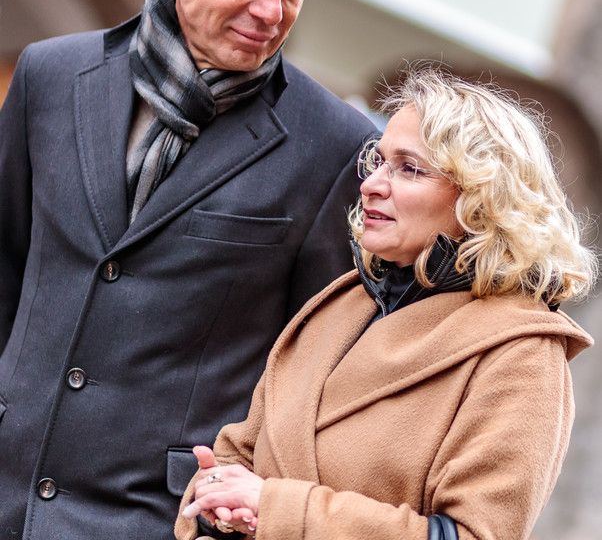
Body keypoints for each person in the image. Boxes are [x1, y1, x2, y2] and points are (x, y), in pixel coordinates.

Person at [0, 0, 375, 538]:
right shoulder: (49, 76)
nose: (271, 8)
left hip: (163, 520)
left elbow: (315, 375)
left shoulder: (337, 147)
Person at [176, 67, 596, 540]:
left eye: (409, 168)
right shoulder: (342, 302)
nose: (372, 184)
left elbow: (472, 535)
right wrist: (218, 501)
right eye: (377, 161)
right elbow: (243, 454)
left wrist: (281, 509)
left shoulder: (522, 352)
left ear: (481, 200)